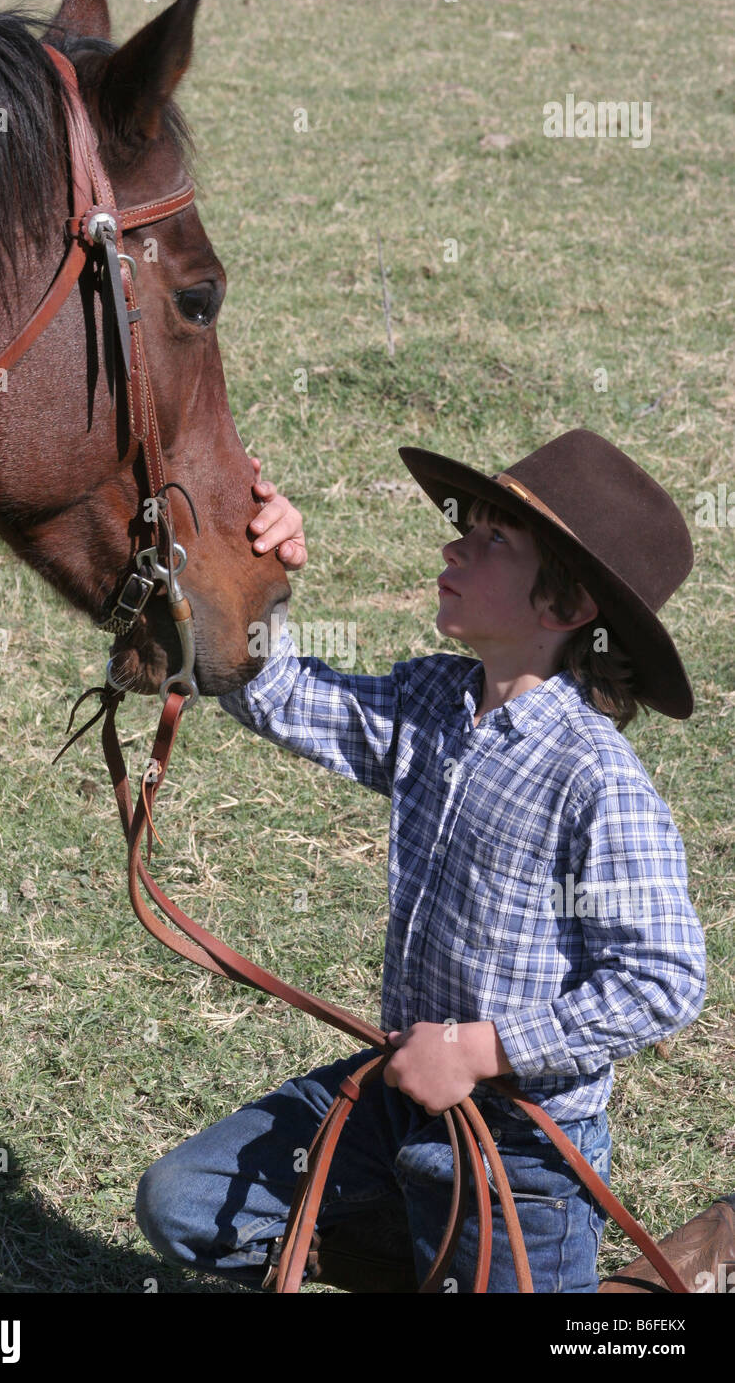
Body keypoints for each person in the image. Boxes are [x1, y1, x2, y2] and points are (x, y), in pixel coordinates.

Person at [135, 429, 706, 1292]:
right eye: (465, 528)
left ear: (567, 606)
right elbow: (280, 694)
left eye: (491, 541)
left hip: (522, 1155)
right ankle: (427, 1260)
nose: (452, 545)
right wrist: (252, 567)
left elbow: (663, 981)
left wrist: (481, 1049)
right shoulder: (434, 701)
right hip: (395, 1096)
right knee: (182, 1203)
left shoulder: (598, 784)